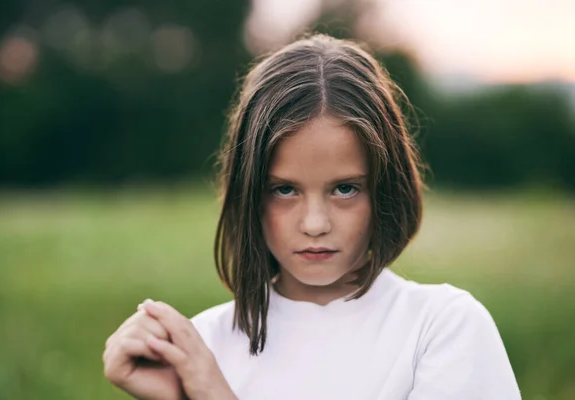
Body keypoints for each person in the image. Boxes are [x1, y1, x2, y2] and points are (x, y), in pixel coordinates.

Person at [103, 34, 521, 400]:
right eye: (284, 190)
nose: (315, 223)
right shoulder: (201, 346)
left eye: (345, 189)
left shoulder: (441, 328)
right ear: (249, 194)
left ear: (384, 190)